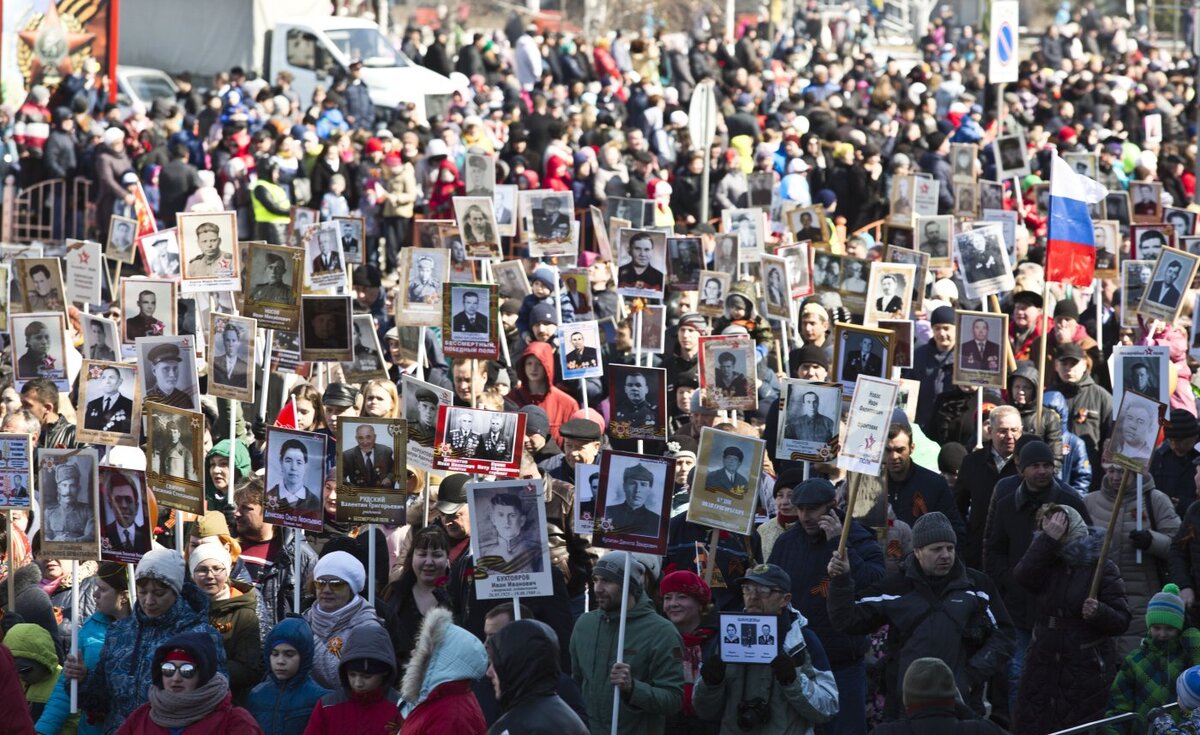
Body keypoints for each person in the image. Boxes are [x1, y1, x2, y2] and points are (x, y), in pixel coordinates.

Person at [827, 512, 1016, 719]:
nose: (945, 555)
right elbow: (847, 620)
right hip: (906, 710)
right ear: (917, 551)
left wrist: (971, 676)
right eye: (936, 549)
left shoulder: (977, 586)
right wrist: (841, 581)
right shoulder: (895, 587)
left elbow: (1005, 635)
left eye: (950, 548)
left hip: (962, 709)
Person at [768, 476, 887, 735]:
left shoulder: (857, 536)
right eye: (800, 509)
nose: (804, 516)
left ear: (832, 506)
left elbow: (876, 581)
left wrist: (838, 543)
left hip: (843, 660)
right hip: (799, 661)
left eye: (812, 509)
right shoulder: (787, 543)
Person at [69, 548, 228, 732]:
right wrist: (81, 679)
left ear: (176, 591)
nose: (149, 601)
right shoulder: (119, 632)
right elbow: (99, 701)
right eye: (143, 592)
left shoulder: (200, 636)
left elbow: (214, 698)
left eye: (159, 593)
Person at [1013, 504, 1131, 734]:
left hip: (1083, 669)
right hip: (1043, 664)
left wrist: (1099, 612)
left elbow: (1122, 619)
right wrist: (1047, 542)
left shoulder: (1101, 567)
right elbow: (1023, 577)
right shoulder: (1047, 560)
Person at [693, 563, 839, 733]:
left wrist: (794, 681)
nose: (753, 596)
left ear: (785, 599)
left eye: (764, 590)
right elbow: (704, 711)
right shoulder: (727, 637)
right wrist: (710, 684)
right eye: (747, 589)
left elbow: (829, 706)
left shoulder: (802, 641)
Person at [570, 552, 684, 735]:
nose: (597, 588)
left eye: (607, 581)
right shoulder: (584, 625)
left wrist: (633, 689)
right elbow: (576, 684)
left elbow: (673, 700)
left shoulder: (662, 632)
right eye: (595, 580)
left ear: (629, 585)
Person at [37, 562, 131, 735]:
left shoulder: (144, 632)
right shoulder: (91, 626)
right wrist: (44, 729)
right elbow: (66, 684)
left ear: (124, 596)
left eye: (102, 590)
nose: (94, 594)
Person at [115, 632, 262, 734]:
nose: (176, 678)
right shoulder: (142, 716)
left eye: (187, 670)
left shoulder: (235, 721)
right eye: (168, 669)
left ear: (204, 673)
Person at [1105, 584, 1200, 732]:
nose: (1162, 634)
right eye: (1157, 628)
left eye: (1170, 628)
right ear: (1149, 626)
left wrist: (1191, 634)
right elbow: (1119, 706)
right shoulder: (1134, 660)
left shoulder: (1186, 657)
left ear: (1180, 627)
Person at [485, 618, 589, 735]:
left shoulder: (516, 727)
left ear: (515, 665)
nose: (489, 672)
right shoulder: (564, 714)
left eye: (496, 663)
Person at [189, 542, 263, 701]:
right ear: (192, 574)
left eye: (217, 569)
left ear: (228, 571)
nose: (210, 576)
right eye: (202, 570)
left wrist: (202, 667)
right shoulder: (184, 609)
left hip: (227, 700)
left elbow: (249, 669)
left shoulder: (244, 614)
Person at [396, 608, 488, 733]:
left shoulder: (450, 716)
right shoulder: (437, 701)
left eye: (422, 650)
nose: (413, 652)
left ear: (438, 659)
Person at [300, 551, 382, 690]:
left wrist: (307, 639)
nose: (326, 590)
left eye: (336, 584)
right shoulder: (305, 619)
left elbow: (343, 678)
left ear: (352, 588)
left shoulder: (367, 628)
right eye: (320, 583)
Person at [303, 623, 402, 733]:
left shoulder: (401, 707)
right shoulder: (327, 706)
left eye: (367, 677)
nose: (358, 683)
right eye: (352, 674)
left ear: (385, 672)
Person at [870, 657, 1009, 734]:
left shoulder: (887, 732)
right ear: (953, 696)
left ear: (907, 698)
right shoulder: (981, 730)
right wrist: (968, 713)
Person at [246, 618, 330, 735]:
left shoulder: (319, 698)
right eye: (275, 654)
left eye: (289, 654)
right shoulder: (257, 694)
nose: (280, 661)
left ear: (304, 656)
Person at [477, 492, 541, 574]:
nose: (506, 521)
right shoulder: (484, 553)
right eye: (501, 515)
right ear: (493, 520)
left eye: (512, 515)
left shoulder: (536, 552)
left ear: (522, 520)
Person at [605, 463, 662, 536]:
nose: (637, 490)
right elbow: (597, 535)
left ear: (649, 489)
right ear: (624, 486)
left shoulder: (657, 521)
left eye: (643, 484)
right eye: (632, 483)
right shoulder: (607, 512)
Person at [44, 461, 94, 543]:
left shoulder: (88, 512)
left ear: (78, 488)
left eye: (72, 486)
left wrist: (72, 541)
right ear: (58, 489)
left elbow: (91, 537)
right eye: (64, 485)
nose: (68, 491)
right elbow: (44, 537)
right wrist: (54, 541)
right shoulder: (49, 513)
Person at [269, 439, 320, 518]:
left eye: (299, 462)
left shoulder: (314, 502)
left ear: (305, 466)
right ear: (281, 462)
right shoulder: (270, 496)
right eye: (288, 461)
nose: (293, 467)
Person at [103, 475, 148, 553]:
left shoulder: (146, 535)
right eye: (118, 500)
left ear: (136, 506)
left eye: (128, 500)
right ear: (111, 505)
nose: (124, 505)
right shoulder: (104, 534)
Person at [341, 423, 394, 488]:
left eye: (368, 437)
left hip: (382, 494)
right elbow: (340, 477)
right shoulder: (347, 455)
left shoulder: (386, 451)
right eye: (361, 438)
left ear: (374, 437)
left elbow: (394, 470)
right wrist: (353, 488)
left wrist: (389, 478)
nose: (365, 442)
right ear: (356, 439)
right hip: (358, 495)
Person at [84, 366, 132, 434]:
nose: (107, 381)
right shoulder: (92, 404)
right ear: (101, 382)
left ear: (120, 381)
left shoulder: (130, 405)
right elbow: (86, 429)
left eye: (112, 377)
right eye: (104, 378)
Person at [144, 344, 192, 408]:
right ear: (154, 371)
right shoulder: (146, 397)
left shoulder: (184, 399)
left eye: (175, 369)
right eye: (166, 369)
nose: (172, 375)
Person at [153, 417, 197, 481]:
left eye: (175, 432)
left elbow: (191, 478)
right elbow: (161, 473)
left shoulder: (186, 453)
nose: (172, 435)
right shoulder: (164, 450)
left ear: (179, 434)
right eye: (170, 432)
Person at [213, 323, 248, 388]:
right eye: (228, 340)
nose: (230, 344)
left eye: (234, 340)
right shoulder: (215, 362)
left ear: (238, 343)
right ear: (224, 342)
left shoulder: (245, 367)